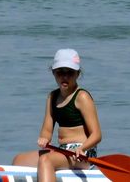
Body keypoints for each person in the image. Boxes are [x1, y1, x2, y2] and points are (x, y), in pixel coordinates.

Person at [12, 49, 102, 182]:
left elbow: (97, 135)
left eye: (69, 73)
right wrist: (44, 139)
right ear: (53, 72)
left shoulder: (82, 97)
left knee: (45, 160)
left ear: (77, 74)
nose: (64, 77)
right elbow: (46, 132)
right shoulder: (52, 97)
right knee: (18, 160)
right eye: (60, 72)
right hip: (62, 151)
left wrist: (81, 148)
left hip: (82, 153)